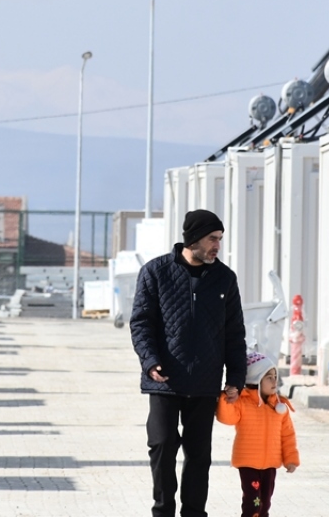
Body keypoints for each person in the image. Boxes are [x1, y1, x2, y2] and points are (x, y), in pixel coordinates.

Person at [130, 209, 247, 517]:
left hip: (205, 382)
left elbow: (234, 333)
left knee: (199, 455)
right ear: (193, 238)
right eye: (212, 239)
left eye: (219, 239)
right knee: (162, 447)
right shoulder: (156, 272)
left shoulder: (225, 278)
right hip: (164, 379)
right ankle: (163, 511)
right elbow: (141, 323)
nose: (216, 246)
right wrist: (150, 361)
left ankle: (194, 514)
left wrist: (235, 377)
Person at [215, 352, 299, 517]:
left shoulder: (280, 406)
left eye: (275, 376)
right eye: (268, 377)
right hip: (248, 463)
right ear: (256, 380)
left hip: (270, 464)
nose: (275, 381)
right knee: (253, 502)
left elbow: (287, 435)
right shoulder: (243, 403)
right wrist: (226, 397)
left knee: (265, 503)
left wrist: (290, 459)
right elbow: (227, 418)